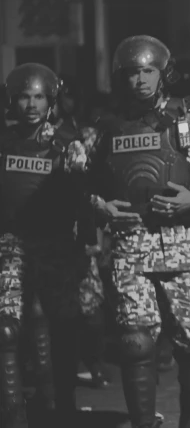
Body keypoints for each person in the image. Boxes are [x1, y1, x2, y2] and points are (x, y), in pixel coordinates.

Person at [87, 35, 190, 428]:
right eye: (133, 72)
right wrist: (100, 207)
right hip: (129, 245)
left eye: (148, 71)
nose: (140, 80)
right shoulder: (105, 124)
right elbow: (74, 176)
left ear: (162, 73)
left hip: (182, 243)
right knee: (135, 342)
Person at [0, 63, 90, 426]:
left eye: (39, 96)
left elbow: (83, 197)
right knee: (6, 328)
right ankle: (14, 415)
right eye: (24, 96)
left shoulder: (69, 144)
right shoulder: (3, 144)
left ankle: (60, 406)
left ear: (50, 101)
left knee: (62, 327)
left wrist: (87, 243)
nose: (31, 104)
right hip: (11, 244)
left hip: (56, 245)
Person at [54, 75, 112, 389]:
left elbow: (99, 181)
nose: (67, 103)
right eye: (62, 97)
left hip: (81, 223)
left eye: (71, 96)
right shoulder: (41, 137)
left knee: (90, 301)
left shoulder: (89, 136)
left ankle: (94, 362)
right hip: (47, 229)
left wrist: (97, 227)